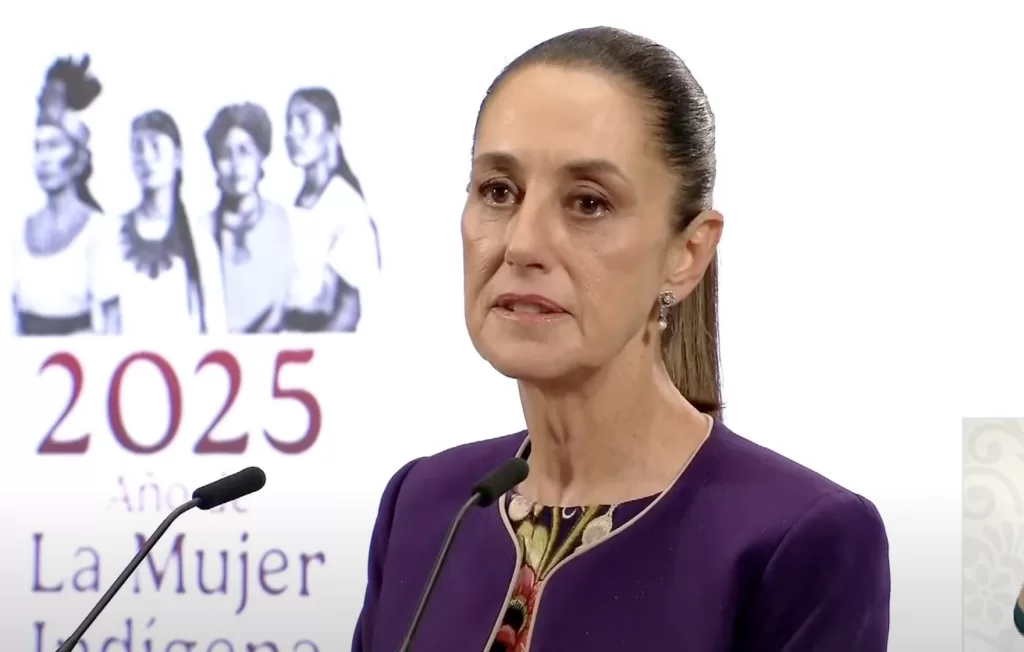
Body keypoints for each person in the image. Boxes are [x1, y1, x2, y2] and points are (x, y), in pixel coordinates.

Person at [352, 27, 891, 652]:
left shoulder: (799, 542)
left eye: (587, 203)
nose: (522, 244)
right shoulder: (424, 505)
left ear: (688, 253)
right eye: (498, 191)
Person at [11, 55, 118, 336]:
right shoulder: (16, 231)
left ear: (78, 159)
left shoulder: (98, 230)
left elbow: (112, 324)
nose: (44, 159)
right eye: (38, 147)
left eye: (54, 146)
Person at [117, 110, 225, 335]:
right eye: (138, 148)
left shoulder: (201, 244)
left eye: (155, 147)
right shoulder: (111, 236)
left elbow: (215, 328)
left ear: (177, 157)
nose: (146, 157)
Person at [283, 87, 380, 332]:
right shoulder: (294, 201)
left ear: (333, 131)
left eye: (304, 121)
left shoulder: (344, 205)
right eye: (289, 123)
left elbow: (349, 309)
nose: (292, 133)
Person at [205, 102, 293, 333]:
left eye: (244, 152)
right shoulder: (200, 232)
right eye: (226, 155)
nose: (236, 165)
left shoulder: (285, 223)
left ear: (260, 157)